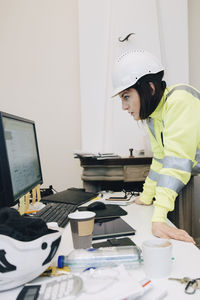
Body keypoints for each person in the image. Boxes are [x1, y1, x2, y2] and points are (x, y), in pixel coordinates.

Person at [112, 49, 200, 243]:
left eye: (126, 97)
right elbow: (160, 161)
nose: (124, 107)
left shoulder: (179, 100)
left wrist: (159, 218)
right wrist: (146, 196)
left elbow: (176, 163)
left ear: (150, 88)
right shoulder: (154, 118)